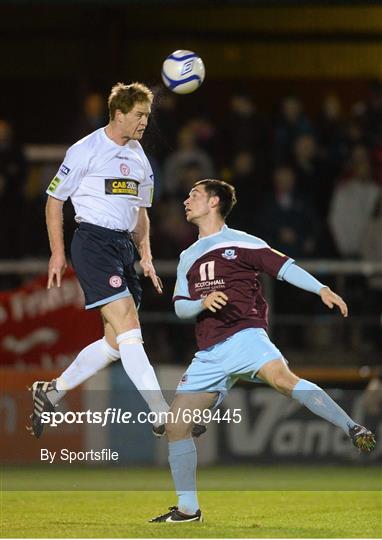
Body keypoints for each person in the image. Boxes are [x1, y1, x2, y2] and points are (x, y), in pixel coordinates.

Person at [150, 179, 376, 523]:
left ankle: (351, 427)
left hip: (245, 335)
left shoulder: (242, 242)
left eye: (194, 194)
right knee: (176, 427)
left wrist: (322, 288)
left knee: (283, 380)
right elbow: (180, 306)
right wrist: (202, 302)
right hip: (209, 351)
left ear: (214, 202)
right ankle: (187, 510)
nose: (185, 200)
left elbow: (284, 268)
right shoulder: (187, 256)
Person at [28, 82, 203, 439]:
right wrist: (58, 252)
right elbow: (54, 201)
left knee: (115, 342)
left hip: (123, 248)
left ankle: (51, 392)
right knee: (128, 324)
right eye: (139, 115)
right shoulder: (85, 150)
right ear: (119, 115)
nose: (145, 122)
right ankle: (162, 413)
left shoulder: (141, 158)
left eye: (148, 116)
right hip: (92, 243)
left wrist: (147, 254)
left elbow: (141, 212)